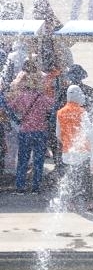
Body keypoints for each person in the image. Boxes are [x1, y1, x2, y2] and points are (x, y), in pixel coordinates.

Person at [5, 65, 54, 193]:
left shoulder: (21, 96)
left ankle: (20, 187)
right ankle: (35, 188)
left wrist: (17, 120)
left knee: (23, 160)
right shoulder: (42, 98)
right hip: (40, 131)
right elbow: (53, 108)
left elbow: (8, 108)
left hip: (25, 131)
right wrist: (47, 120)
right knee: (38, 161)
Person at [56, 85, 93, 211]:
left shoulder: (60, 112)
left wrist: (66, 142)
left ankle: (70, 203)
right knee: (85, 177)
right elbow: (88, 131)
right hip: (82, 151)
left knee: (70, 177)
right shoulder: (82, 112)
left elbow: (58, 133)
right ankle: (89, 202)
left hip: (68, 151)